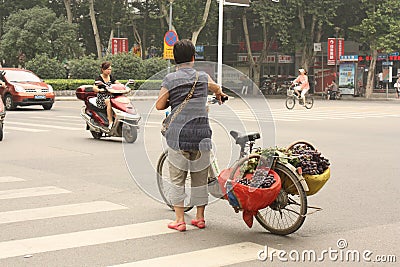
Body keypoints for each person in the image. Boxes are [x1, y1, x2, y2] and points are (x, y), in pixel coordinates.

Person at [156, 39, 228, 232]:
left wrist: (173, 97)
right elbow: (217, 88)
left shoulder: (170, 79)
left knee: (177, 178)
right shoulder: (203, 77)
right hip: (202, 136)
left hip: (178, 136)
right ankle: (200, 218)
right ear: (193, 58)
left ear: (175, 59)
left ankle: (180, 221)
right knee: (200, 178)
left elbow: (159, 106)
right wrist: (219, 94)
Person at [93, 61, 120, 130]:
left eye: (110, 69)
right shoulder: (99, 78)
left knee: (118, 100)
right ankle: (110, 121)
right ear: (102, 69)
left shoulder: (111, 77)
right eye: (107, 69)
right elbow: (94, 87)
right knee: (109, 101)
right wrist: (99, 90)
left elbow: (117, 83)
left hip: (111, 96)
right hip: (102, 98)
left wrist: (123, 87)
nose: (109, 71)